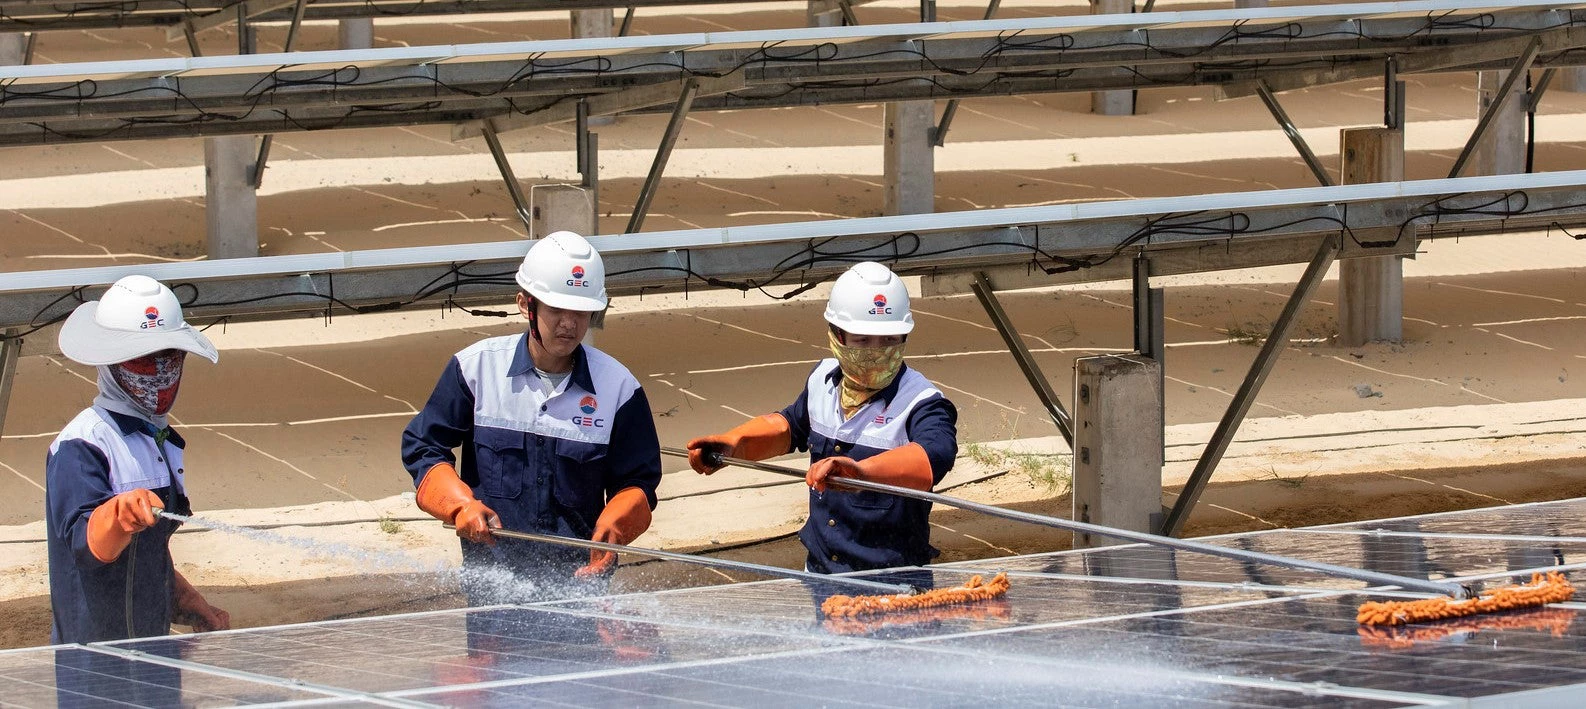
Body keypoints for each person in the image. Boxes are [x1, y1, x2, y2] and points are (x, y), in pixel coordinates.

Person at [403, 231, 660, 603]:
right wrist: (461, 506)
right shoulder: (475, 370)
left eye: (581, 312)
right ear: (526, 305)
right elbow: (423, 447)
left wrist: (614, 527)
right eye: (557, 310)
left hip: (581, 589)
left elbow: (638, 482)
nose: (569, 324)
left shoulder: (619, 388)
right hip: (492, 588)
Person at [686, 261, 958, 574]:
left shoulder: (921, 401)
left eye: (889, 340)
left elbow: (934, 454)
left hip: (893, 580)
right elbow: (790, 426)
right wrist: (735, 444)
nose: (877, 351)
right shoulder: (822, 381)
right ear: (836, 336)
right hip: (821, 572)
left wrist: (861, 472)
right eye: (863, 340)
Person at [46, 274, 231, 643]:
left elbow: (150, 553)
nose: (161, 375)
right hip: (96, 667)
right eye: (145, 364)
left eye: (171, 359)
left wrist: (187, 599)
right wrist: (117, 516)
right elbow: (87, 545)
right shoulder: (82, 446)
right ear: (111, 362)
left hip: (155, 653)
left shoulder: (157, 441)